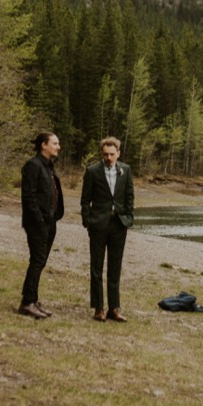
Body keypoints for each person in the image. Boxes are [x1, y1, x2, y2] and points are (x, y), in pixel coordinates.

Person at [80, 136, 133, 322]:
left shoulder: (125, 170)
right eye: (105, 154)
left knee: (115, 268)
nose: (108, 157)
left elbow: (129, 196)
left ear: (118, 153)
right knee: (96, 267)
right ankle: (98, 309)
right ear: (101, 154)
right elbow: (85, 199)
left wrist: (128, 218)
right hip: (98, 225)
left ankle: (114, 308)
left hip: (119, 225)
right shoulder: (93, 171)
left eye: (112, 154)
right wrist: (88, 221)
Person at [18, 132, 63, 319]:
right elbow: (28, 197)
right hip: (38, 223)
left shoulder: (49, 167)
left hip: (50, 222)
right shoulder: (33, 165)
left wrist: (53, 218)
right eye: (55, 143)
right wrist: (40, 220)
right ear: (44, 145)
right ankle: (27, 302)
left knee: (41, 261)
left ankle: (32, 299)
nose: (58, 146)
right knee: (37, 260)